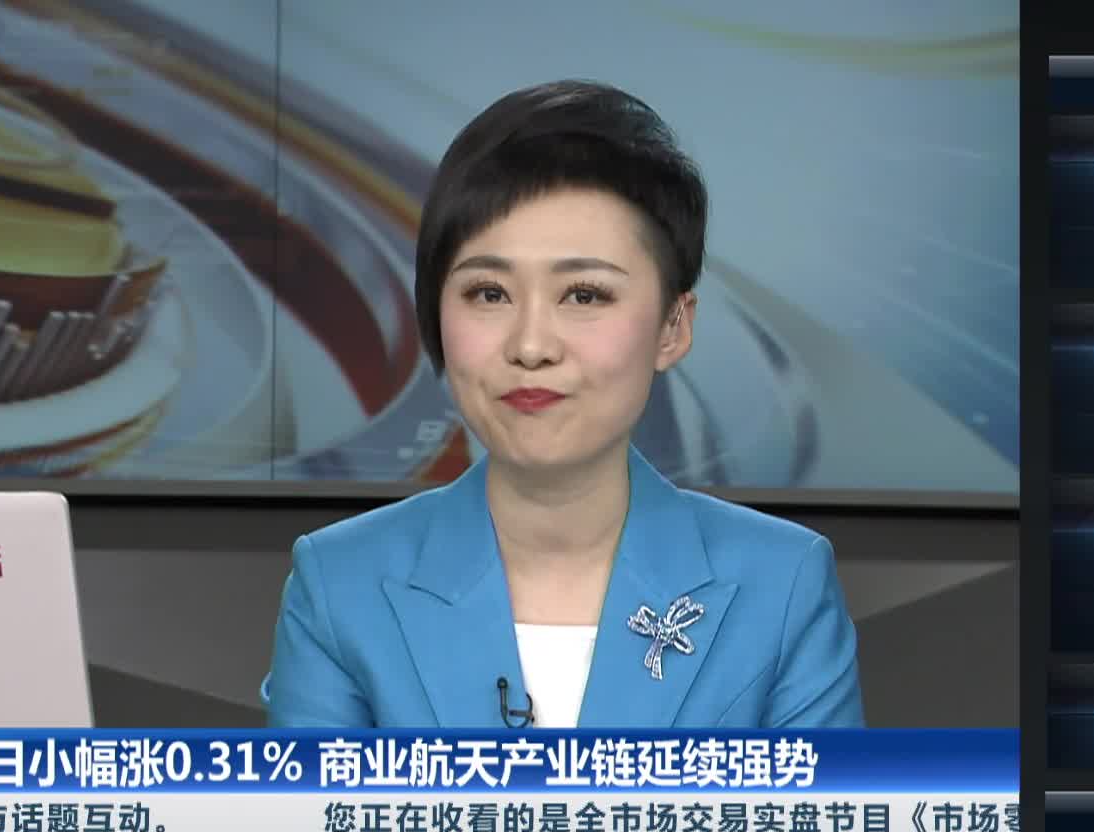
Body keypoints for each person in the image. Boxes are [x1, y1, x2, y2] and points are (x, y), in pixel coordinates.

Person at [262, 79, 862, 729]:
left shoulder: (783, 586)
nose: (530, 346)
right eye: (489, 293)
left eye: (584, 295)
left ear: (673, 327)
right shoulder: (340, 586)